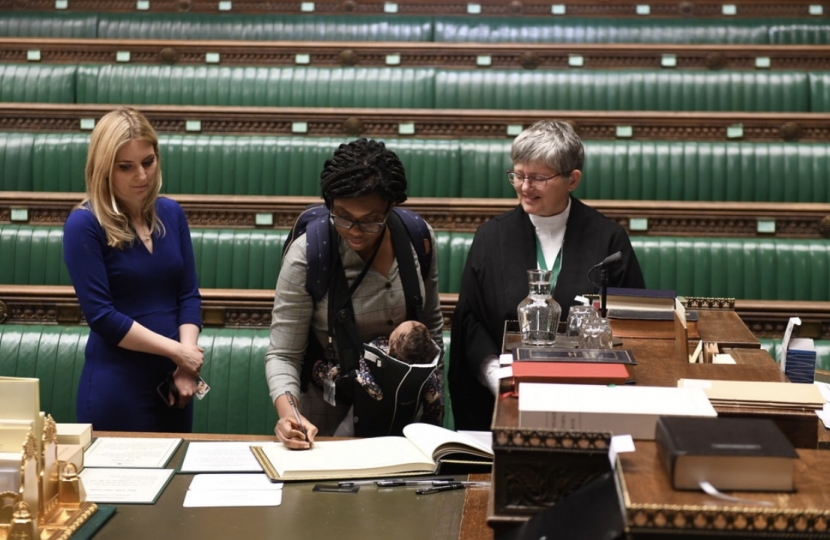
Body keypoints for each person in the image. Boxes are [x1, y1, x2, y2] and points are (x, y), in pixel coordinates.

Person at [448, 120, 646, 431]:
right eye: (518, 175)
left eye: (538, 178)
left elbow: (632, 324)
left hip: (588, 400)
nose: (525, 187)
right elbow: (470, 320)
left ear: (572, 179)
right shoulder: (490, 237)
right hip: (506, 399)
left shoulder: (608, 239)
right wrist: (496, 378)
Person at [265, 138, 444, 449]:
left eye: (371, 219)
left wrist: (432, 408)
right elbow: (283, 354)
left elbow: (433, 330)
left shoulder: (419, 238)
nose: (355, 231)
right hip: (325, 421)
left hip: (403, 419)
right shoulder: (307, 256)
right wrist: (289, 415)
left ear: (391, 206)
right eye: (343, 216)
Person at [63, 107, 203, 432]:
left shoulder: (171, 212)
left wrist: (185, 365)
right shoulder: (84, 224)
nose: (141, 176)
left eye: (148, 162)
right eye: (125, 167)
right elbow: (102, 317)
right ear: (104, 169)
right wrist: (180, 353)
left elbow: (188, 295)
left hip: (175, 384)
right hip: (118, 386)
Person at [311, 320, 442, 424]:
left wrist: (321, 372)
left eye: (395, 330)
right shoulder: (427, 376)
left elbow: (345, 375)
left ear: (389, 349)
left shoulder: (374, 359)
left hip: (363, 420)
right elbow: (434, 407)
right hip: (403, 421)